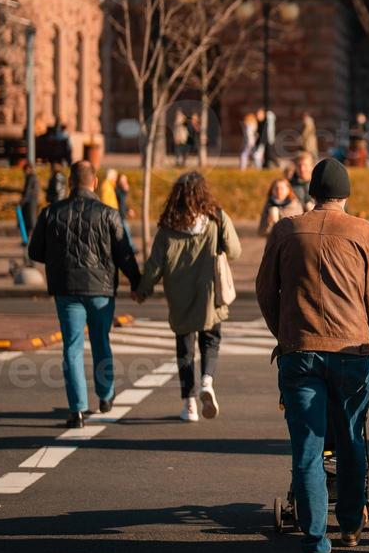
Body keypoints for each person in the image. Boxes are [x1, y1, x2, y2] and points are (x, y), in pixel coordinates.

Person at [256, 158, 369, 553]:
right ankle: (350, 522)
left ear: (312, 192)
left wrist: (286, 332)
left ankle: (315, 549)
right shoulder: (366, 232)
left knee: (307, 448)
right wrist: (359, 327)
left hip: (301, 350)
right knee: (351, 438)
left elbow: (265, 291)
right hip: (351, 350)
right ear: (346, 194)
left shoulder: (286, 231)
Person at [28, 161, 141, 428]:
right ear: (93, 183)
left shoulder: (51, 213)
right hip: (101, 289)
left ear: (70, 183)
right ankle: (105, 395)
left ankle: (77, 410)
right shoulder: (109, 214)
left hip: (66, 288)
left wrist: (57, 258)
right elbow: (124, 254)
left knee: (72, 347)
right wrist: (137, 283)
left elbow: (34, 252)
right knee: (101, 340)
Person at [135, 172, 242, 422]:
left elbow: (153, 267)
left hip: (178, 295)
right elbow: (235, 251)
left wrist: (142, 291)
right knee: (211, 340)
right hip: (210, 295)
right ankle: (207, 380)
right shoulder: (216, 218)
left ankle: (189, 404)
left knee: (184, 349)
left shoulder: (167, 228)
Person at [115, 172, 136, 254]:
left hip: (122, 215)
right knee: (126, 233)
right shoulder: (117, 190)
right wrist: (125, 191)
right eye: (122, 180)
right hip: (119, 215)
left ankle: (130, 248)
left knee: (125, 233)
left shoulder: (121, 191)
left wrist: (128, 210)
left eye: (125, 180)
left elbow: (123, 204)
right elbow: (120, 201)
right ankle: (132, 248)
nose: (124, 182)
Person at [19, 161, 41, 237]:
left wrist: (22, 202)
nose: (24, 172)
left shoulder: (31, 178)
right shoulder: (33, 177)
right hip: (32, 201)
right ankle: (29, 237)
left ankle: (30, 238)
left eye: (25, 170)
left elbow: (27, 192)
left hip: (30, 202)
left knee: (30, 221)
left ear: (28, 169)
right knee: (31, 221)